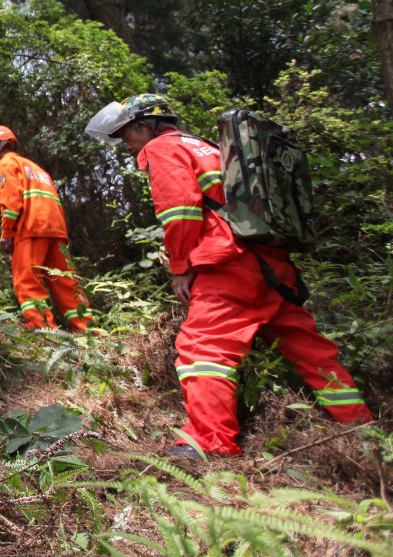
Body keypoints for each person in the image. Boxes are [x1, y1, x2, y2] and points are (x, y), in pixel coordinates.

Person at [88, 93, 372, 457]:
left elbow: (181, 215)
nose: (125, 145)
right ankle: (362, 431)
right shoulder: (208, 146)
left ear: (146, 125)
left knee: (202, 349)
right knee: (313, 352)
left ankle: (210, 441)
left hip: (228, 265)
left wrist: (181, 268)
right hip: (271, 264)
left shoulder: (163, 148)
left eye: (126, 134)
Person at [0, 125, 92, 332]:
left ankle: (43, 328)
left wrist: (7, 232)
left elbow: (10, 200)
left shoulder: (6, 163)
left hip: (29, 228)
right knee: (66, 281)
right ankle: (85, 328)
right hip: (55, 229)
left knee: (27, 280)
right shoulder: (35, 168)